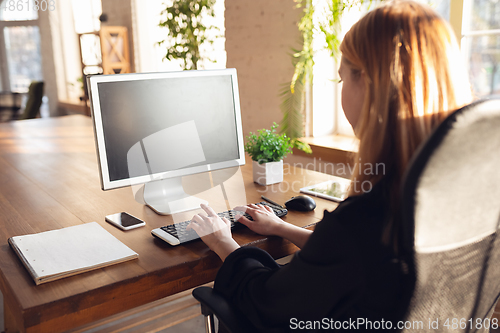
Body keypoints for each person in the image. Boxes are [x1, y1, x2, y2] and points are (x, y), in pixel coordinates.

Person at [187, 1, 473, 331]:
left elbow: (268, 304)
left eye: (342, 79)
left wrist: (223, 241)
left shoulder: (365, 217)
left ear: (368, 82)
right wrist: (282, 229)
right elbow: (352, 261)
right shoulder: (445, 194)